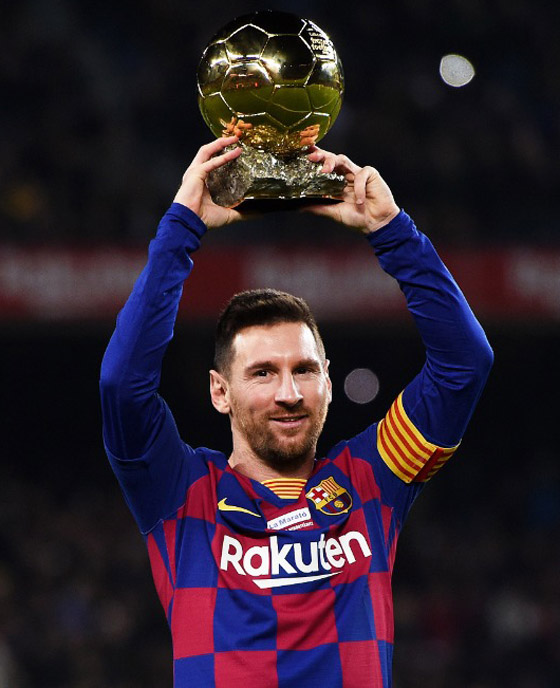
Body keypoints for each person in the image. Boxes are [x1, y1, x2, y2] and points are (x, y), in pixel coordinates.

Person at [100, 135, 493, 688]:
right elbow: (122, 384)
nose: (289, 392)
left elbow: (464, 364)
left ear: (328, 382)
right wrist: (181, 229)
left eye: (304, 370)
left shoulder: (373, 478)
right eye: (262, 373)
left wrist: (392, 231)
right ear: (220, 391)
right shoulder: (180, 492)